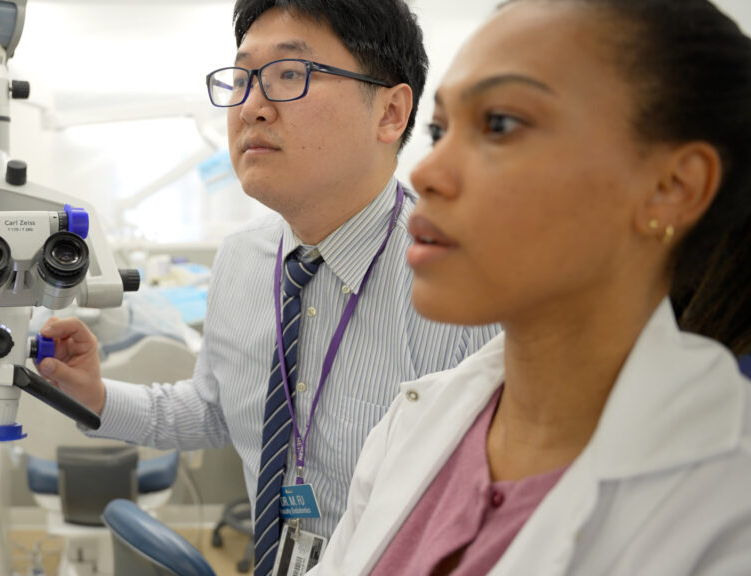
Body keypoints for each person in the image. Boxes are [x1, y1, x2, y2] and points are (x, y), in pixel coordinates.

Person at [36, 0, 499, 573]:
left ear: (390, 112)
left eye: (289, 75)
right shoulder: (244, 258)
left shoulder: (470, 283)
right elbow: (214, 407)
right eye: (241, 78)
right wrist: (95, 396)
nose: (251, 106)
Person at [313, 0, 751, 574]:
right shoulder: (414, 423)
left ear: (672, 186)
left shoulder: (728, 507)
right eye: (440, 130)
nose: (425, 172)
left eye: (499, 124)